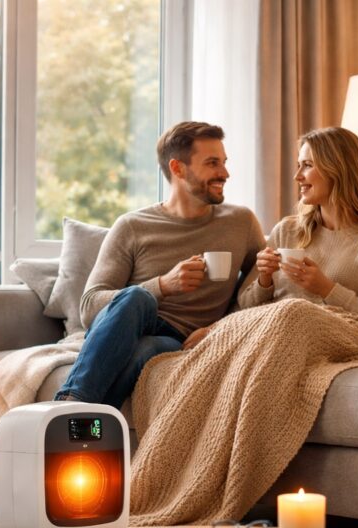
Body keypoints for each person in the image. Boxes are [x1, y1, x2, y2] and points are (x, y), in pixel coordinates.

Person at [55, 121, 264, 408]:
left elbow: (261, 292)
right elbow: (89, 307)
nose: (224, 173)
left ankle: (71, 415)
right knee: (138, 297)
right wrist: (163, 285)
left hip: (181, 339)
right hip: (125, 325)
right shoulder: (132, 226)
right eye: (213, 163)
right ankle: (72, 406)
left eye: (224, 162)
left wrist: (219, 328)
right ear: (178, 168)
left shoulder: (241, 222)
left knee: (148, 349)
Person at [237, 126, 358, 327]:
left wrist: (327, 289)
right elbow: (243, 306)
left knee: (294, 310)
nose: (297, 176)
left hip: (343, 340)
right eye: (298, 165)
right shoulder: (286, 231)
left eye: (307, 165)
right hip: (277, 336)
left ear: (338, 170)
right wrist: (264, 279)